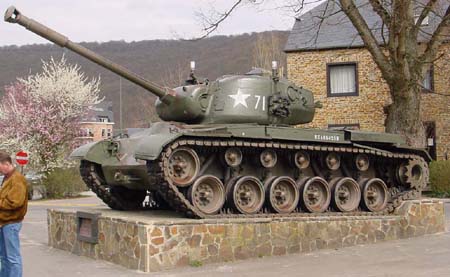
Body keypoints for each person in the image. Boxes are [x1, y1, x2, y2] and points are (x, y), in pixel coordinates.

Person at [0, 151, 28, 277]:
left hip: (11, 222)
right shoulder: (8, 177)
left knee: (12, 257)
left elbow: (15, 202)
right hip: (4, 222)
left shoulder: (17, 178)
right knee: (4, 257)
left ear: (6, 164)